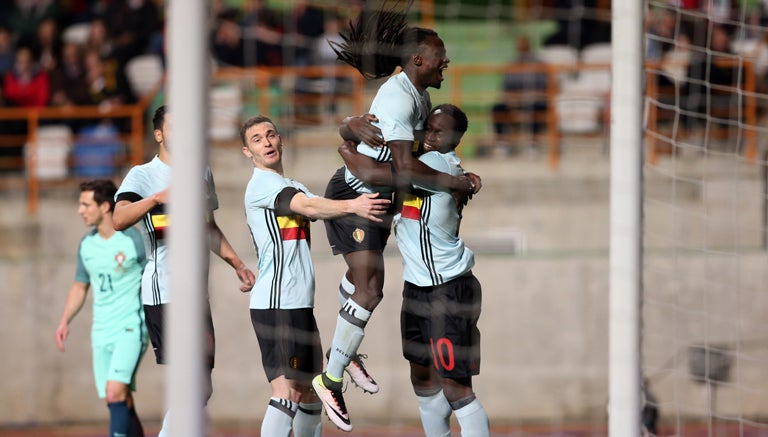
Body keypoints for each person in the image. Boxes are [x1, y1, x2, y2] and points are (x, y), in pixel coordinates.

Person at [311, 1, 481, 431]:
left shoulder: (418, 96)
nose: (447, 63)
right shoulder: (397, 97)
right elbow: (397, 168)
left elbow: (404, 158)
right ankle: (331, 377)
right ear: (418, 59)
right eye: (441, 57)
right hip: (357, 193)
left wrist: (347, 130)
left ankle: (343, 352)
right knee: (370, 291)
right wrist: (347, 140)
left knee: (363, 289)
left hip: (377, 195)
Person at [341, 104, 491, 436]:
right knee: (422, 380)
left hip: (448, 289)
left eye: (440, 131)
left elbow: (375, 173)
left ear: (456, 138)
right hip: (418, 289)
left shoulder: (436, 164)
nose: (429, 136)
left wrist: (346, 147)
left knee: (455, 388)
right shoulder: (426, 165)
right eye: (428, 128)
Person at [239, 115, 390, 437]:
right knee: (288, 392)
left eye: (270, 135)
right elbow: (308, 207)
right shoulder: (263, 186)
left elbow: (321, 207)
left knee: (309, 395)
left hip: (299, 304)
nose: (266, 142)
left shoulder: (292, 185)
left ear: (281, 140)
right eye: (257, 139)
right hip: (277, 304)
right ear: (246, 152)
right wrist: (355, 205)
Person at [113, 105, 256, 436]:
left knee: (201, 388)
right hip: (164, 292)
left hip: (197, 296)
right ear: (159, 135)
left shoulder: (201, 172)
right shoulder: (142, 175)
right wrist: (154, 199)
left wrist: (236, 263)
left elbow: (207, 227)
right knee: (189, 385)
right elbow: (118, 219)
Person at [55, 179, 148, 437]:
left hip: (131, 325)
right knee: (120, 399)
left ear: (105, 206)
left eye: (86, 204)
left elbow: (157, 273)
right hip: (101, 330)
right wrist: (64, 321)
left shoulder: (133, 239)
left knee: (114, 391)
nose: (80, 211)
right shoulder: (87, 245)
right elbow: (80, 285)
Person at [490, 36, 548, 154]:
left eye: (524, 47)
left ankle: (533, 144)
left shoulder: (539, 64)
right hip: (516, 102)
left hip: (534, 100)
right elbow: (506, 89)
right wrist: (513, 99)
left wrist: (528, 96)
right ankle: (502, 144)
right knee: (498, 108)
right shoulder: (512, 64)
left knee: (536, 107)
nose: (522, 50)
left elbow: (544, 89)